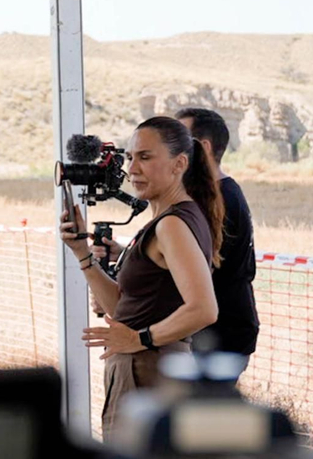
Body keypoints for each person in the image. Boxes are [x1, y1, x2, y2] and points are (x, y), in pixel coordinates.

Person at [60, 116, 221, 430]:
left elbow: (204, 308)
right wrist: (83, 254)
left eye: (146, 157)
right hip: (142, 366)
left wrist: (140, 338)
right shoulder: (165, 220)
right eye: (131, 157)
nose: (132, 169)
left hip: (149, 369)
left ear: (179, 164)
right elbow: (120, 307)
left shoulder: (173, 224)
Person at [176, 107, 258, 363]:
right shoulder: (216, 195)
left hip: (218, 339)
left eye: (178, 140)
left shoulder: (221, 200)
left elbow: (196, 269)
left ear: (203, 147)